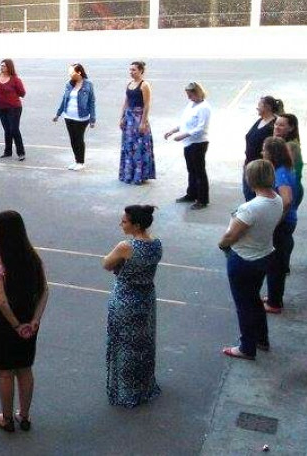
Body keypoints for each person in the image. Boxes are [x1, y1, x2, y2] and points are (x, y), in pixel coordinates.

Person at [0, 211, 49, 432]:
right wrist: (34, 320)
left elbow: (2, 301)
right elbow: (44, 291)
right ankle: (24, 415)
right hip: (28, 316)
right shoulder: (34, 258)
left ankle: (6, 418)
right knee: (24, 368)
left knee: (5, 371)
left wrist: (15, 325)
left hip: (2, 320)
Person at [218, 160, 282, 359]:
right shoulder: (277, 200)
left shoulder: (250, 208)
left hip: (244, 258)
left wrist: (222, 244)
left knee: (244, 304)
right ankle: (261, 338)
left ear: (251, 179)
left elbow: (231, 235)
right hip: (264, 254)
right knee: (254, 299)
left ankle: (247, 346)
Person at [101, 205, 161, 407]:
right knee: (144, 343)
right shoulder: (156, 244)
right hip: (146, 298)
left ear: (136, 225)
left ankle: (126, 390)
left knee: (124, 345)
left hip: (125, 300)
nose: (121, 224)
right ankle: (144, 385)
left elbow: (106, 264)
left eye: (125, 221)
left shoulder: (126, 247)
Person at [261, 137, 297, 314]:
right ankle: (273, 296)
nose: (262, 152)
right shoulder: (284, 169)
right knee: (276, 262)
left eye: (265, 150)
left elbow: (287, 199)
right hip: (286, 222)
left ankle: (275, 303)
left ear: (272, 153)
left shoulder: (280, 173)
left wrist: (276, 219)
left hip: (282, 224)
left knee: (275, 264)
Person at [163, 82, 212, 210]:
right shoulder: (191, 104)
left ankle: (202, 199)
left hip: (198, 143)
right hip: (189, 143)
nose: (189, 98)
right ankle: (191, 194)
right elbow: (185, 122)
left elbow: (201, 128)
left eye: (190, 95)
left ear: (197, 93)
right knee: (191, 170)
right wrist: (173, 130)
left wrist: (183, 136)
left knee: (199, 172)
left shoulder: (204, 108)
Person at [53, 63, 96, 170]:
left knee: (79, 139)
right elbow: (64, 99)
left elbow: (91, 101)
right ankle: (76, 161)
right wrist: (58, 114)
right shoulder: (69, 84)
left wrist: (92, 118)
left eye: (71, 72)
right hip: (68, 116)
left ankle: (81, 162)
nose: (70, 74)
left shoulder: (88, 84)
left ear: (79, 72)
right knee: (73, 139)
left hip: (81, 117)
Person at [119, 61, 156, 185]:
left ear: (141, 71)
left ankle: (140, 175)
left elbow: (147, 105)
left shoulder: (144, 85)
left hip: (139, 117)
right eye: (130, 70)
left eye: (134, 70)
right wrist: (122, 118)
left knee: (139, 146)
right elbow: (126, 102)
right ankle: (128, 174)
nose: (131, 72)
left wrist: (143, 122)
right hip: (129, 119)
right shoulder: (129, 84)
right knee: (129, 146)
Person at [242, 96, 283, 201]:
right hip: (249, 164)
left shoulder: (273, 125)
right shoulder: (260, 120)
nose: (257, 108)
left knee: (256, 198)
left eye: (259, 105)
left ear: (267, 107)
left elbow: (274, 147)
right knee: (248, 195)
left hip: (260, 168)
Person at [0, 59, 26, 160]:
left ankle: (21, 152)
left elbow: (22, 93)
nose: (1, 67)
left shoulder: (15, 80)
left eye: (4, 66)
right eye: (1, 65)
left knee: (14, 129)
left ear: (9, 67)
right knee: (7, 130)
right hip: (2, 108)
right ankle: (7, 151)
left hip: (14, 108)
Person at [273, 113, 302, 210]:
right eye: (276, 124)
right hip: (285, 186)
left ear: (291, 128)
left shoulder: (290, 146)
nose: (277, 127)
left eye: (281, 125)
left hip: (288, 188)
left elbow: (286, 169)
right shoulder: (284, 143)